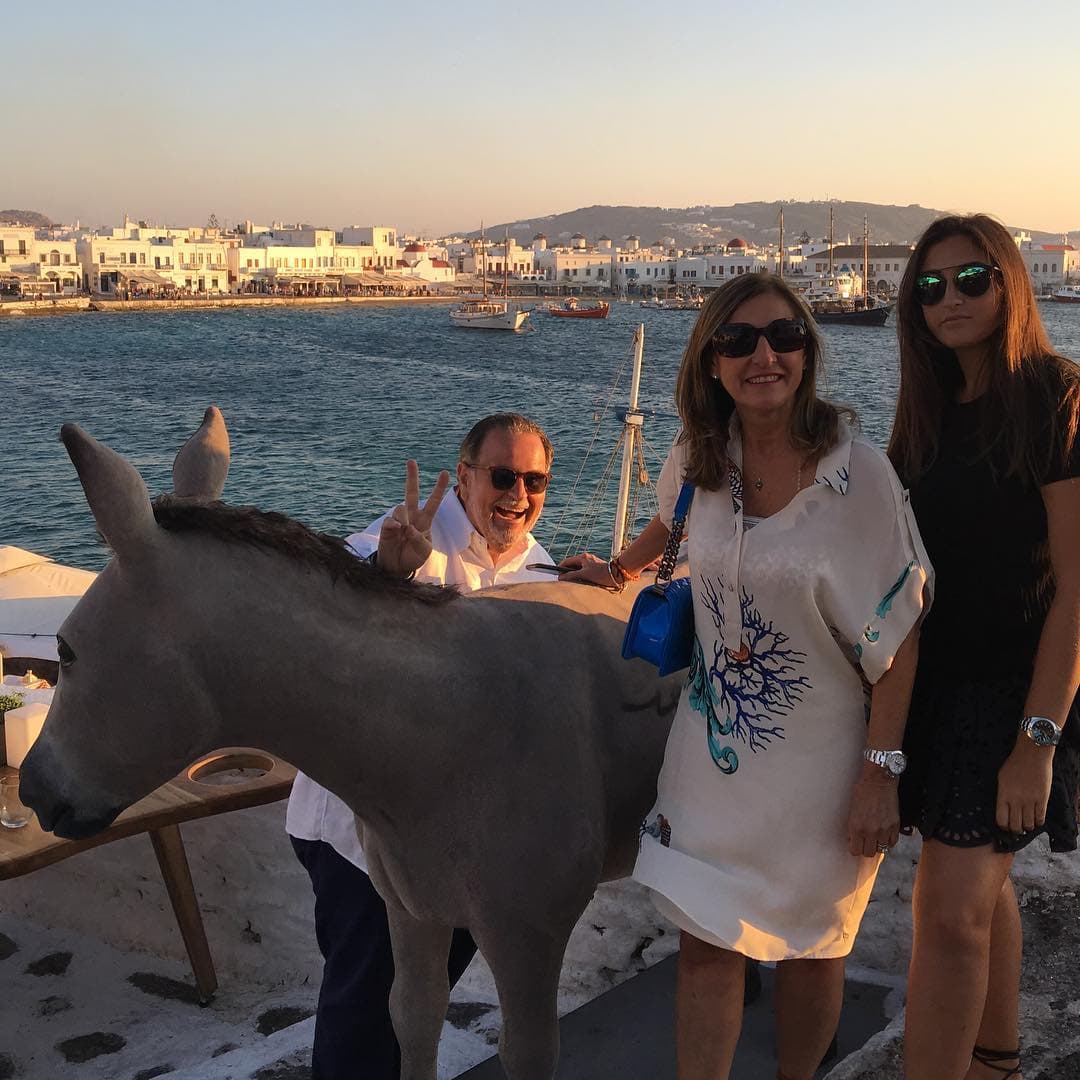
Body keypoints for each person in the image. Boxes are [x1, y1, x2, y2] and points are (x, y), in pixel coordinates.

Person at [559, 273, 931, 1080]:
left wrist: (880, 773)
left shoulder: (856, 475)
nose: (764, 354)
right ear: (713, 363)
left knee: (810, 954)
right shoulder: (700, 457)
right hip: (711, 759)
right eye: (739, 341)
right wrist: (614, 569)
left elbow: (901, 637)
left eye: (783, 336)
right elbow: (669, 526)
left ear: (807, 350)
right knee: (704, 950)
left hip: (825, 773)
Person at [286, 412, 556, 1080]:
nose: (517, 493)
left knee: (418, 1005)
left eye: (534, 479)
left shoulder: (542, 571)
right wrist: (385, 571)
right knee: (364, 1014)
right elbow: (323, 613)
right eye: (500, 475)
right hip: (358, 836)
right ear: (463, 476)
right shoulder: (408, 535)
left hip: (464, 845)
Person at [888, 214, 1079, 1080]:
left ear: (1010, 283)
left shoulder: (1054, 393)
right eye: (931, 285)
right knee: (976, 889)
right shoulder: (929, 409)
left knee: (949, 912)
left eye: (971, 279)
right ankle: (996, 1062)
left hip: (1013, 695)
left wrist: (1035, 745)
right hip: (937, 684)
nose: (950, 298)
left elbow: (1079, 590)